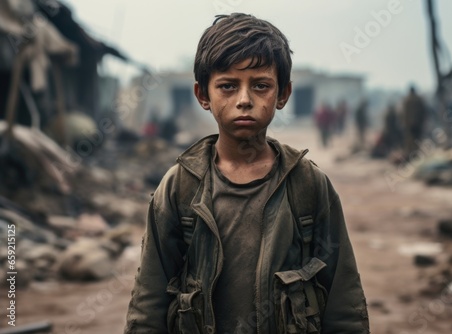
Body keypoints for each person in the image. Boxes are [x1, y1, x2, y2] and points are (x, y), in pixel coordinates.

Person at [124, 13, 369, 334]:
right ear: (202, 95)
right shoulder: (179, 188)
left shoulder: (308, 185)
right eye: (227, 86)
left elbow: (343, 302)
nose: (244, 100)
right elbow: (149, 305)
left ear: (283, 94)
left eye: (261, 86)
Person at [402, 85, 427, 158]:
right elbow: (423, 112)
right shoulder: (419, 99)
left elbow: (404, 114)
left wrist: (405, 123)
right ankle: (416, 155)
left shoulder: (406, 100)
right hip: (418, 124)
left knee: (410, 141)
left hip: (409, 125)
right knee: (417, 141)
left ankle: (410, 155)